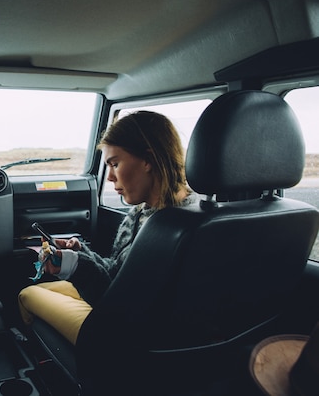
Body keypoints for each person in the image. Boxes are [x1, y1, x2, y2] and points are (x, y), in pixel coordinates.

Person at [18, 111, 199, 345]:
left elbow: (116, 306)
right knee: (48, 289)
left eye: (115, 163)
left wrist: (76, 266)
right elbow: (119, 275)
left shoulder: (165, 229)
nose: (110, 177)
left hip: (129, 336)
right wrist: (81, 253)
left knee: (27, 294)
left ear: (148, 160)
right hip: (130, 318)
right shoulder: (149, 213)